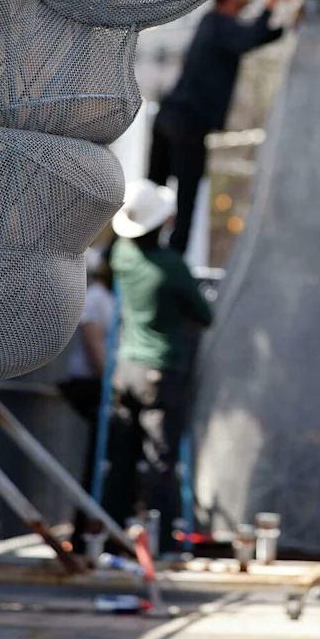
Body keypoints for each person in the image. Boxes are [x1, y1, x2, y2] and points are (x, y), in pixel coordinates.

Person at [149, 0, 290, 253]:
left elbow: (253, 37)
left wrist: (281, 26)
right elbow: (248, 39)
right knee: (181, 197)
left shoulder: (217, 27)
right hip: (186, 122)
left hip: (173, 118)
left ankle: (147, 251)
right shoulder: (216, 23)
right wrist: (271, 4)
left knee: (156, 190)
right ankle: (172, 257)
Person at [105, 178, 213, 555]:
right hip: (161, 370)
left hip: (126, 368)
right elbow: (204, 314)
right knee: (158, 460)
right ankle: (162, 539)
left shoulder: (121, 255)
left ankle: (111, 535)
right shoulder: (170, 266)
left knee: (121, 456)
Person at [58, 249, 118, 555]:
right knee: (99, 454)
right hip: (91, 385)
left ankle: (104, 526)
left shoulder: (115, 297)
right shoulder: (96, 297)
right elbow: (94, 344)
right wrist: (111, 381)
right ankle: (83, 533)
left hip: (106, 384)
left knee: (109, 456)